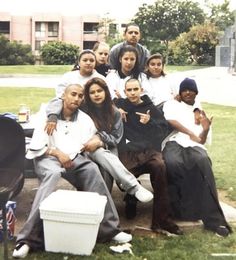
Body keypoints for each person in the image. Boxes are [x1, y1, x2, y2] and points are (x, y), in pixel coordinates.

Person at [12, 84, 132, 259]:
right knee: (52, 175)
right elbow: (36, 146)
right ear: (64, 96)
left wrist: (94, 143)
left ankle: (109, 230)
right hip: (48, 156)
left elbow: (86, 143)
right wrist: (57, 153)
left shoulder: (84, 119)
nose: (77, 98)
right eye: (73, 94)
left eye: (80, 96)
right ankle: (27, 240)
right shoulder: (48, 115)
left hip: (73, 158)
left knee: (91, 169)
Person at [162, 78, 232, 237]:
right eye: (184, 90)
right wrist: (190, 132)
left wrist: (206, 129)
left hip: (194, 145)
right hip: (174, 142)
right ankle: (180, 211)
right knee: (173, 163)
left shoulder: (200, 112)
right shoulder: (172, 104)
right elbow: (171, 121)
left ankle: (215, 221)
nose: (187, 92)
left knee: (202, 162)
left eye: (191, 90)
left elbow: (202, 140)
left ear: (196, 92)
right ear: (179, 92)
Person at [114, 78, 182, 235]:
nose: (132, 93)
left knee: (160, 167)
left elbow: (162, 131)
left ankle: (162, 220)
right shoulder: (120, 105)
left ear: (141, 90)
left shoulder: (150, 108)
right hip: (130, 151)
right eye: (129, 90)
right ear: (125, 92)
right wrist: (116, 110)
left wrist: (150, 122)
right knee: (123, 174)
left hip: (150, 150)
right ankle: (131, 198)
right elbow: (107, 104)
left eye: (135, 89)